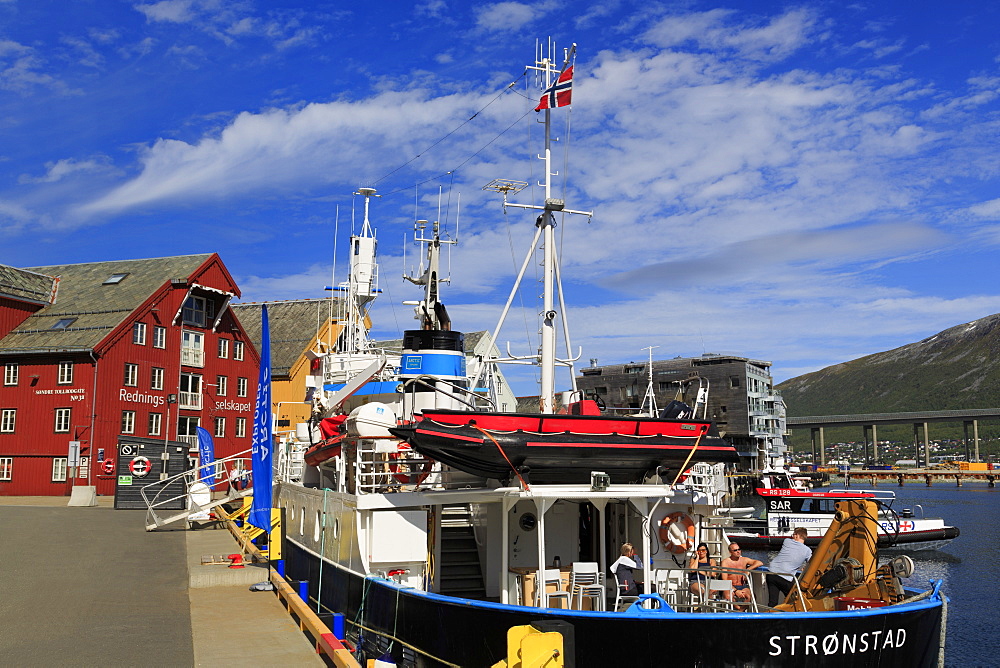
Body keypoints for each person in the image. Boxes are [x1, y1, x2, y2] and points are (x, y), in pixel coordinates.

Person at [766, 527, 812, 607]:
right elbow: (811, 563)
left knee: (773, 602)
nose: (792, 536)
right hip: (785, 578)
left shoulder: (786, 541)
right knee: (795, 601)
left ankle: (770, 616)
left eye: (793, 534)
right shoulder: (807, 551)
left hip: (771, 573)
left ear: (797, 535)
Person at [720, 542, 763, 608]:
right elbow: (724, 580)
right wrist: (736, 591)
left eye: (739, 549)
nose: (738, 551)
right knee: (728, 597)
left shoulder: (744, 560)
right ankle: (739, 610)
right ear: (730, 552)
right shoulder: (725, 562)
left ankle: (740, 612)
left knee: (751, 597)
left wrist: (748, 569)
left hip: (742, 586)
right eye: (735, 550)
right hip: (730, 587)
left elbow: (759, 563)